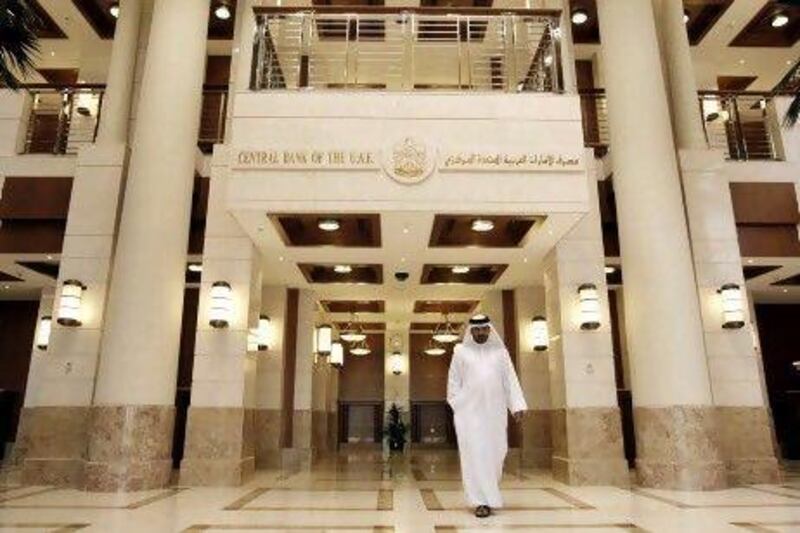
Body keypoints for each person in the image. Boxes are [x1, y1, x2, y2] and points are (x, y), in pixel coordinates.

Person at [446, 314, 527, 518]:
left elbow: (510, 380)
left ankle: (491, 495)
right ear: (471, 331)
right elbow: (453, 381)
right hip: (469, 415)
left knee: (495, 453)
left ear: (489, 330)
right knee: (473, 455)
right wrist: (458, 403)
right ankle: (480, 501)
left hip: (495, 413)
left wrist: (516, 405)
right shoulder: (460, 351)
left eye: (484, 329)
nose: (480, 332)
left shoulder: (500, 353)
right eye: (476, 329)